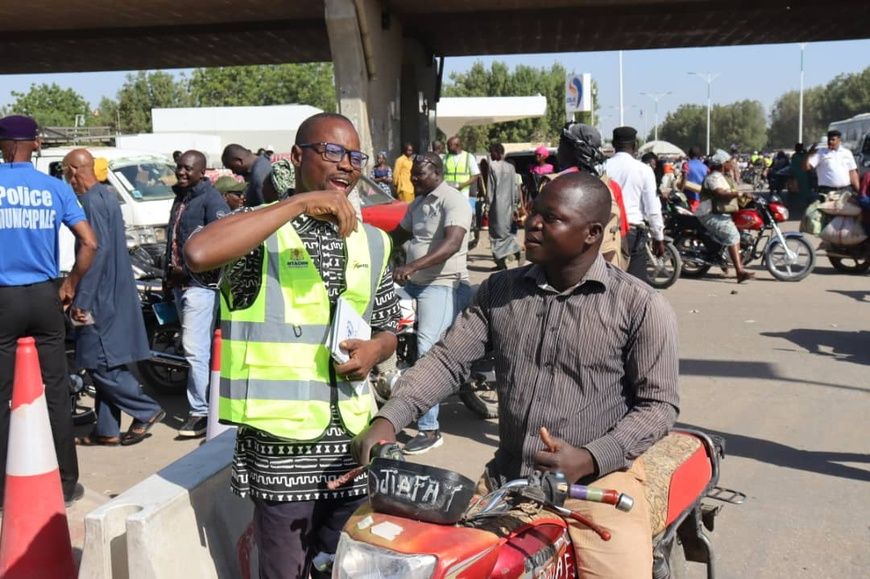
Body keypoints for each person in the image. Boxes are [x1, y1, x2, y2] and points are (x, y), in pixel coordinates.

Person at [353, 171, 679, 579]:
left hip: (598, 488)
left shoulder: (641, 306)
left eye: (552, 218)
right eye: (535, 212)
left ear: (592, 233)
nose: (533, 223)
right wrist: (390, 418)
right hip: (509, 479)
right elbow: (448, 360)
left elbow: (659, 406)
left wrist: (591, 457)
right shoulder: (499, 290)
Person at [183, 112, 399, 579]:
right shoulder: (260, 232)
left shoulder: (374, 242)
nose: (346, 166)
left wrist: (376, 351)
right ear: (297, 157)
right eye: (332, 152)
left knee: (351, 568)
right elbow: (198, 254)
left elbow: (386, 326)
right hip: (283, 455)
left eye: (355, 156)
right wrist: (298, 204)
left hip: (352, 448)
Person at [0, 115, 98, 506]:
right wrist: (70, 284)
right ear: (35, 144)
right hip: (45, 297)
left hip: (4, 298)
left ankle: (6, 487)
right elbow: (89, 243)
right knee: (56, 389)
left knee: (2, 392)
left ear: (5, 146)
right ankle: (66, 482)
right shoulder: (55, 188)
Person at [62, 149, 165, 447]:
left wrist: (81, 299)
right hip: (115, 289)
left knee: (98, 362)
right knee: (109, 362)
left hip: (98, 295)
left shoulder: (90, 202)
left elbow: (96, 250)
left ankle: (146, 410)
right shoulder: (107, 195)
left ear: (72, 171)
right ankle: (106, 430)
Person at [391, 152, 472, 454]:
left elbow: (451, 244)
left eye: (419, 174)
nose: (412, 178)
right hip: (415, 284)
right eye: (412, 173)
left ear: (436, 172)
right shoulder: (419, 202)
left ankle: (430, 428)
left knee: (427, 352)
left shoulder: (453, 200)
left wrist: (412, 267)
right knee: (382, 322)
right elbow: (398, 235)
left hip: (444, 285)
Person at [164, 150, 229, 438]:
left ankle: (200, 412)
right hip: (180, 286)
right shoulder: (181, 197)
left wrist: (188, 273)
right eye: (180, 167)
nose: (182, 172)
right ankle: (201, 405)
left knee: (195, 350)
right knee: (194, 349)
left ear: (202, 171)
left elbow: (221, 243)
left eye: (188, 169)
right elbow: (175, 238)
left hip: (200, 287)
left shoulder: (210, 198)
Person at [551, 122, 629, 269]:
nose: (558, 151)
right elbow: (622, 234)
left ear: (574, 150)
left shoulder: (555, 185)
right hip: (604, 272)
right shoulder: (611, 187)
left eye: (561, 145)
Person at [605, 126, 666, 284]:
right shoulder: (643, 170)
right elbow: (652, 209)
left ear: (613, 144)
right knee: (636, 285)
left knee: (609, 282)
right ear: (635, 145)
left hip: (606, 231)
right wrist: (658, 237)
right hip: (632, 232)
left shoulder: (602, 167)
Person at [697, 151, 754, 283]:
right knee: (733, 236)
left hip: (721, 213)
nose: (732, 163)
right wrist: (737, 194)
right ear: (723, 164)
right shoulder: (713, 178)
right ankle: (739, 272)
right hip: (709, 214)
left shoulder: (723, 176)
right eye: (729, 162)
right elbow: (720, 193)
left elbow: (735, 186)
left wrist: (747, 194)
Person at [487, 143, 523, 270]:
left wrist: (487, 206)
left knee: (495, 235)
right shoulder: (511, 168)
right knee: (505, 233)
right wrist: (514, 206)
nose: (490, 155)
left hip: (497, 206)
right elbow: (515, 189)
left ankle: (514, 252)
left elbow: (490, 190)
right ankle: (502, 261)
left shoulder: (493, 166)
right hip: (508, 206)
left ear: (496, 152)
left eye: (491, 152)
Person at [679, 145, 708, 212]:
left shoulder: (686, 165)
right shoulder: (705, 167)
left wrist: (680, 191)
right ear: (699, 155)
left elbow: (684, 178)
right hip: (701, 197)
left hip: (690, 197)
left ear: (689, 154)